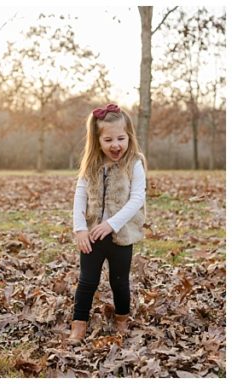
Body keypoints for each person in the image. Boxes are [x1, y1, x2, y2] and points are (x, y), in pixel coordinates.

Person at [67, 103, 146, 344]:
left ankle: (122, 320)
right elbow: (80, 196)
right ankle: (78, 325)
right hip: (92, 235)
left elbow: (137, 199)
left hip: (122, 235)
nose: (116, 145)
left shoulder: (135, 162)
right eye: (108, 139)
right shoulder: (91, 164)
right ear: (98, 140)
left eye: (121, 138)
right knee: (87, 281)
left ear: (129, 136)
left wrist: (111, 224)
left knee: (119, 281)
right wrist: (80, 228)